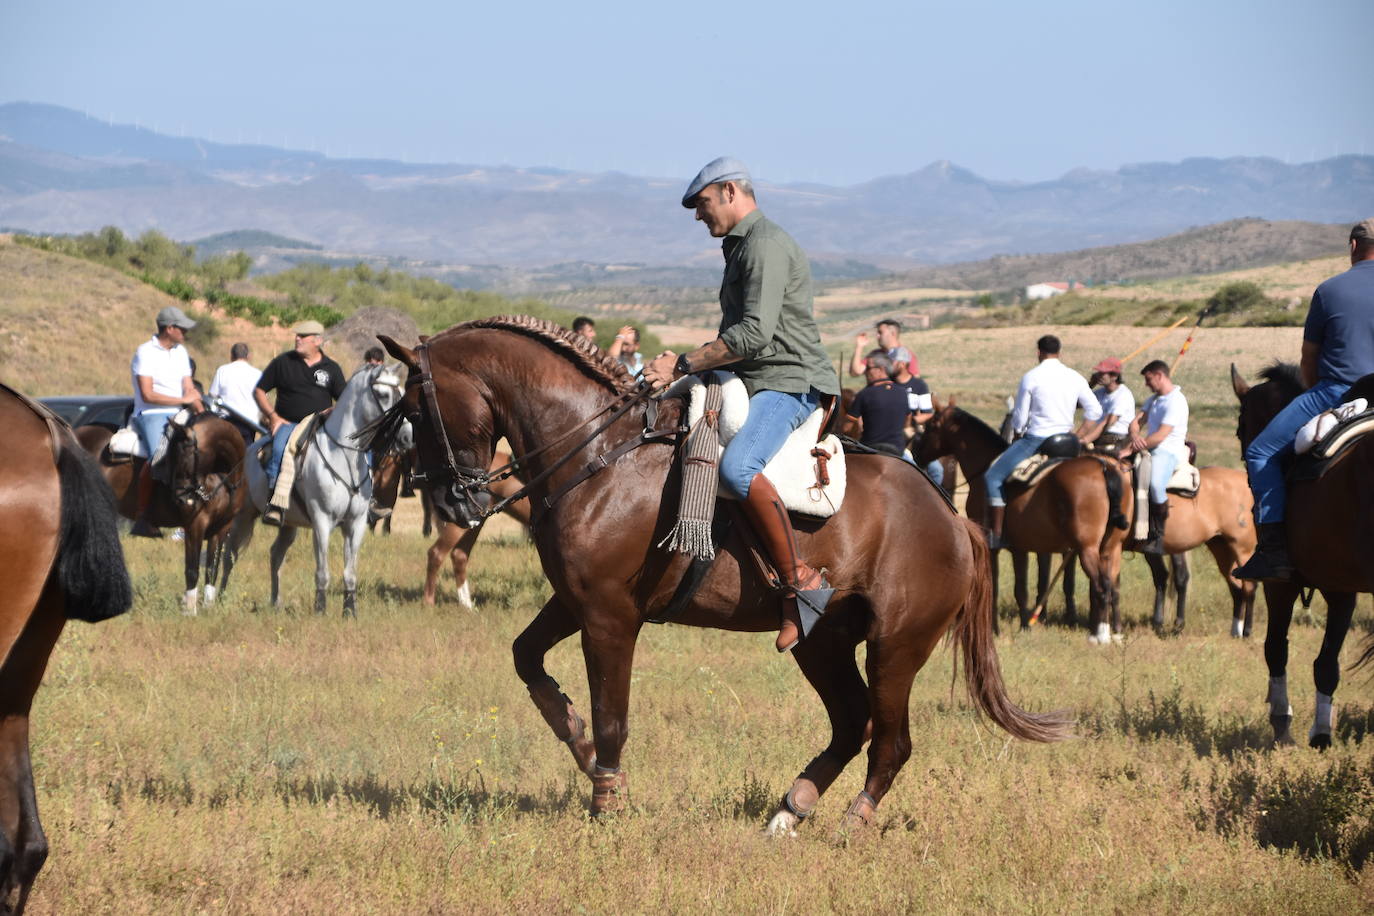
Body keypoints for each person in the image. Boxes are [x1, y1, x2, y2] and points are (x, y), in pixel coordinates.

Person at [642, 156, 840, 653]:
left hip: (787, 383)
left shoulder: (766, 245)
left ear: (730, 191)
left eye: (703, 203)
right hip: (754, 379)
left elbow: (752, 335)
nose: (697, 215)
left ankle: (800, 579)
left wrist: (684, 364)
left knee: (736, 468)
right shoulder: (742, 246)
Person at [1235, 217, 1374, 580]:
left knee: (1261, 452)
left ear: (1353, 247)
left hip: (1337, 390)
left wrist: (1314, 390)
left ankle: (1274, 550)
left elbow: (1309, 357)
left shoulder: (1330, 290)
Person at [982, 335, 1102, 548]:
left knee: (993, 477)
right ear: (1060, 352)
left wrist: (1018, 432)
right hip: (1068, 442)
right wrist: (1079, 435)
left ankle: (996, 535)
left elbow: (1019, 418)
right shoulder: (1074, 377)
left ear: (1038, 352)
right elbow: (1095, 410)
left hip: (1037, 440)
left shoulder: (1031, 377)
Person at [254, 320, 346, 526]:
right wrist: (273, 416)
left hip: (321, 425)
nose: (297, 339)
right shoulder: (283, 362)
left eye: (303, 336)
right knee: (278, 449)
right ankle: (274, 502)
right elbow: (260, 390)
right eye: (297, 335)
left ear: (318, 341)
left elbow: (344, 398)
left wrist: (333, 410)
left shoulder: (331, 368)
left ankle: (359, 499)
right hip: (289, 423)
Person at [129, 305, 204, 537]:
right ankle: (143, 516)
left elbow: (188, 384)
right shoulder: (145, 352)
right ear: (169, 328)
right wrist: (183, 399)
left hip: (181, 411)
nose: (185, 332)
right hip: (151, 413)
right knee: (158, 457)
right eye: (182, 328)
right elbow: (147, 394)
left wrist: (198, 406)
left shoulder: (181, 352)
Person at [1119, 360, 1188, 554]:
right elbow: (1136, 422)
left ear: (1159, 375)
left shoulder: (1176, 401)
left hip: (1167, 450)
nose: (1146, 384)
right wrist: (1134, 435)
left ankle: (1158, 533)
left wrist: (1132, 448)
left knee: (1156, 484)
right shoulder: (1154, 399)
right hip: (1148, 447)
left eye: (1149, 379)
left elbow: (1160, 436)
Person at [889, 350, 942, 483]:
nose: (888, 366)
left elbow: (928, 413)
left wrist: (911, 421)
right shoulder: (888, 384)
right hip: (892, 434)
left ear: (902, 364)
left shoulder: (919, 385)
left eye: (891, 362)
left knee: (937, 470)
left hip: (914, 434)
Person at [845, 353, 910, 455]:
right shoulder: (903, 393)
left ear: (881, 369)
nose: (865, 372)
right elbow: (907, 421)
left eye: (868, 368)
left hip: (869, 449)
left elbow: (847, 427)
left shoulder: (864, 394)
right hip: (897, 451)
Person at [209, 342, 263, 444]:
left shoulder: (222, 370)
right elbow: (262, 399)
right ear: (248, 356)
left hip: (226, 421)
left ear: (231, 356)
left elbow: (213, 395)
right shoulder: (257, 374)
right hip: (249, 423)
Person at [1086, 356, 1135, 454]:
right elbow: (1078, 404)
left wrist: (1086, 439)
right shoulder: (1100, 393)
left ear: (1114, 376)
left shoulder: (1123, 395)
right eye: (1098, 373)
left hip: (1116, 439)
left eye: (1102, 373)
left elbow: (1107, 423)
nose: (1098, 376)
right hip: (1099, 436)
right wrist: (1090, 385)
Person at [848, 319, 916, 378]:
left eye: (880, 333)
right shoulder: (875, 355)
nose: (877, 336)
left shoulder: (906, 356)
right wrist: (859, 347)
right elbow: (855, 372)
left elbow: (914, 380)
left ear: (893, 333)